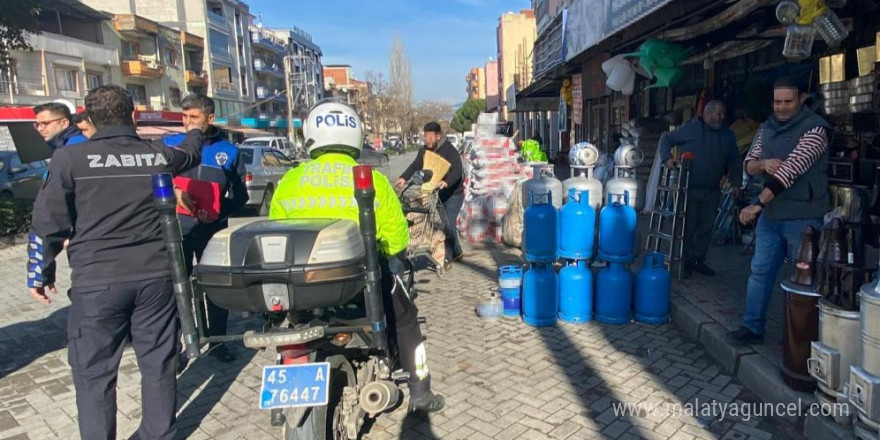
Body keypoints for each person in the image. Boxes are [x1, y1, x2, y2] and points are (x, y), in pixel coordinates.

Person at [27, 84, 206, 440]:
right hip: (156, 279)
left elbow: (47, 222)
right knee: (158, 364)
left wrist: (40, 271)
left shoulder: (69, 160)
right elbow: (189, 152)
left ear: (87, 120)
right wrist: (197, 129)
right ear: (134, 116)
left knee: (94, 373)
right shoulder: (157, 155)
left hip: (97, 283)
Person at [269, 99, 445, 413]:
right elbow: (396, 241)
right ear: (356, 136)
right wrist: (388, 252)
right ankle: (420, 392)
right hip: (361, 284)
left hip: (301, 285)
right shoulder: (372, 179)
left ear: (311, 136)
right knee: (406, 320)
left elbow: (275, 233)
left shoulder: (289, 182)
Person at [729, 77, 832, 345]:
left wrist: (758, 204)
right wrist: (763, 163)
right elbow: (749, 164)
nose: (782, 107)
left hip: (803, 219)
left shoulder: (816, 130)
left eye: (788, 101)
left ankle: (802, 338)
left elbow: (790, 172)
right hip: (772, 216)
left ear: (801, 100)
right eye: (777, 102)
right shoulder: (767, 127)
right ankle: (752, 328)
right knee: (760, 272)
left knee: (803, 281)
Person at [163, 94, 249, 363]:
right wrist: (174, 191)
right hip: (177, 229)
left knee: (215, 287)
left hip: (212, 229)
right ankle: (176, 348)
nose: (188, 123)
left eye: (194, 118)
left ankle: (216, 342)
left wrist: (217, 213)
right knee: (177, 288)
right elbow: (151, 183)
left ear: (210, 119)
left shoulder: (229, 151)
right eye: (184, 117)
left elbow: (241, 196)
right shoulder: (168, 145)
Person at [658, 100, 743, 277]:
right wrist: (666, 159)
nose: (721, 117)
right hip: (688, 188)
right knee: (688, 227)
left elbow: (735, 160)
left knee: (705, 228)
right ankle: (686, 260)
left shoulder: (727, 136)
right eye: (717, 113)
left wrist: (736, 183)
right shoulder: (690, 129)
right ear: (706, 114)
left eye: (722, 114)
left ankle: (698, 260)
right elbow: (666, 138)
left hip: (712, 190)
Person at [396, 122, 464, 269]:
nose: (426, 139)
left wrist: (446, 181)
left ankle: (448, 258)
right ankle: (457, 251)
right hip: (437, 194)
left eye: (429, 136)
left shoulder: (449, 150)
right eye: (424, 136)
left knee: (449, 224)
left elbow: (458, 170)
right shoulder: (424, 151)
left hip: (453, 194)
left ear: (437, 137)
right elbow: (415, 166)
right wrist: (403, 178)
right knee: (446, 225)